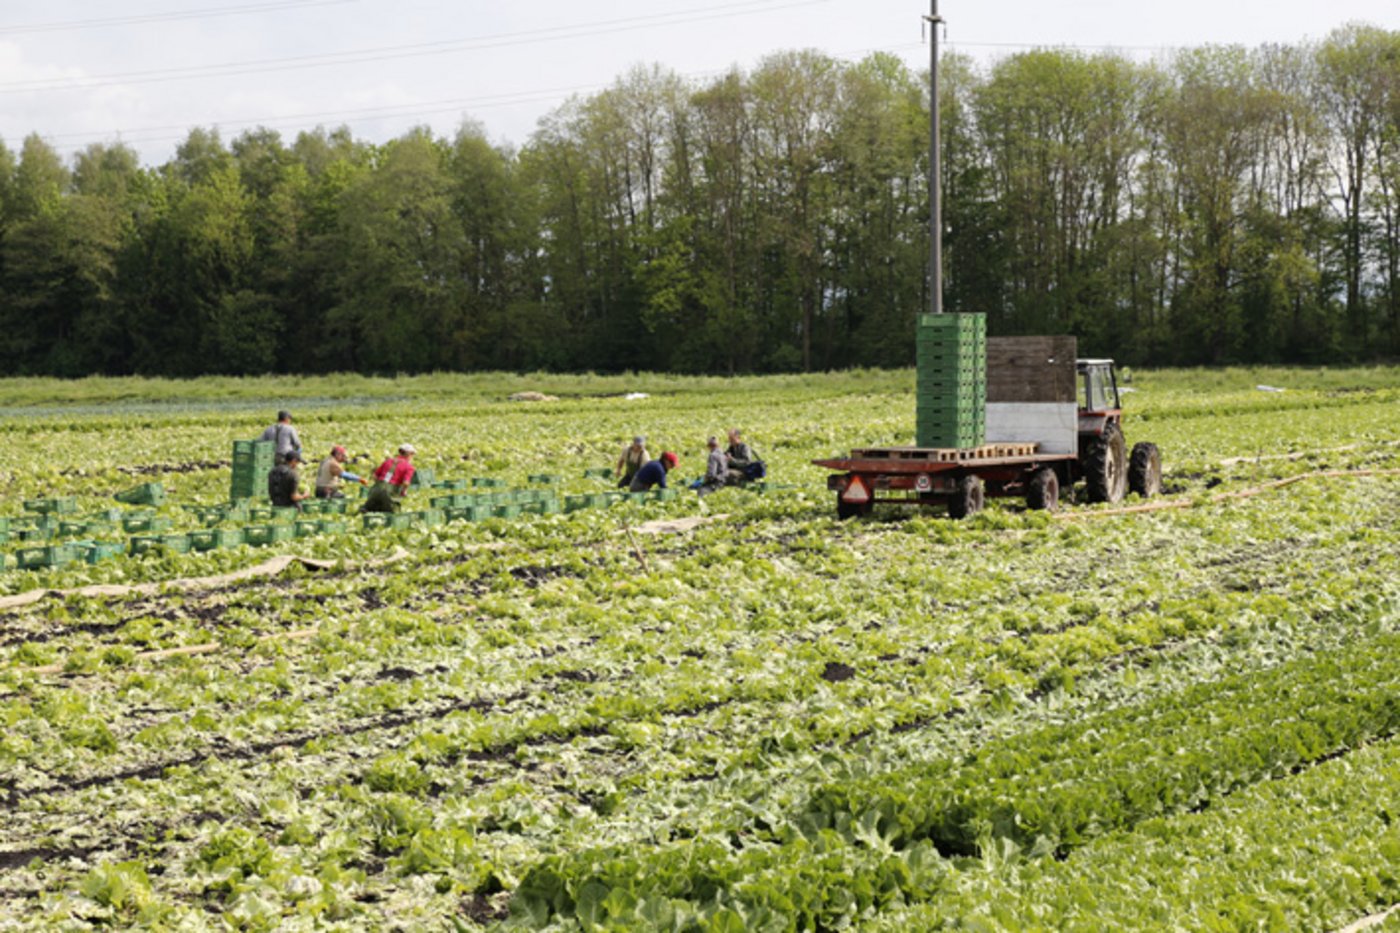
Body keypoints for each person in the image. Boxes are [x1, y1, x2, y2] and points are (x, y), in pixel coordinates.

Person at [363, 444, 417, 513]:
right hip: (390, 494)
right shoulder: (409, 467)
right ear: (409, 454)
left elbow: (374, 476)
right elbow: (405, 483)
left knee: (369, 510)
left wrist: (380, 485)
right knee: (392, 514)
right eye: (412, 454)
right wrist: (404, 491)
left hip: (376, 491)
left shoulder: (388, 461)